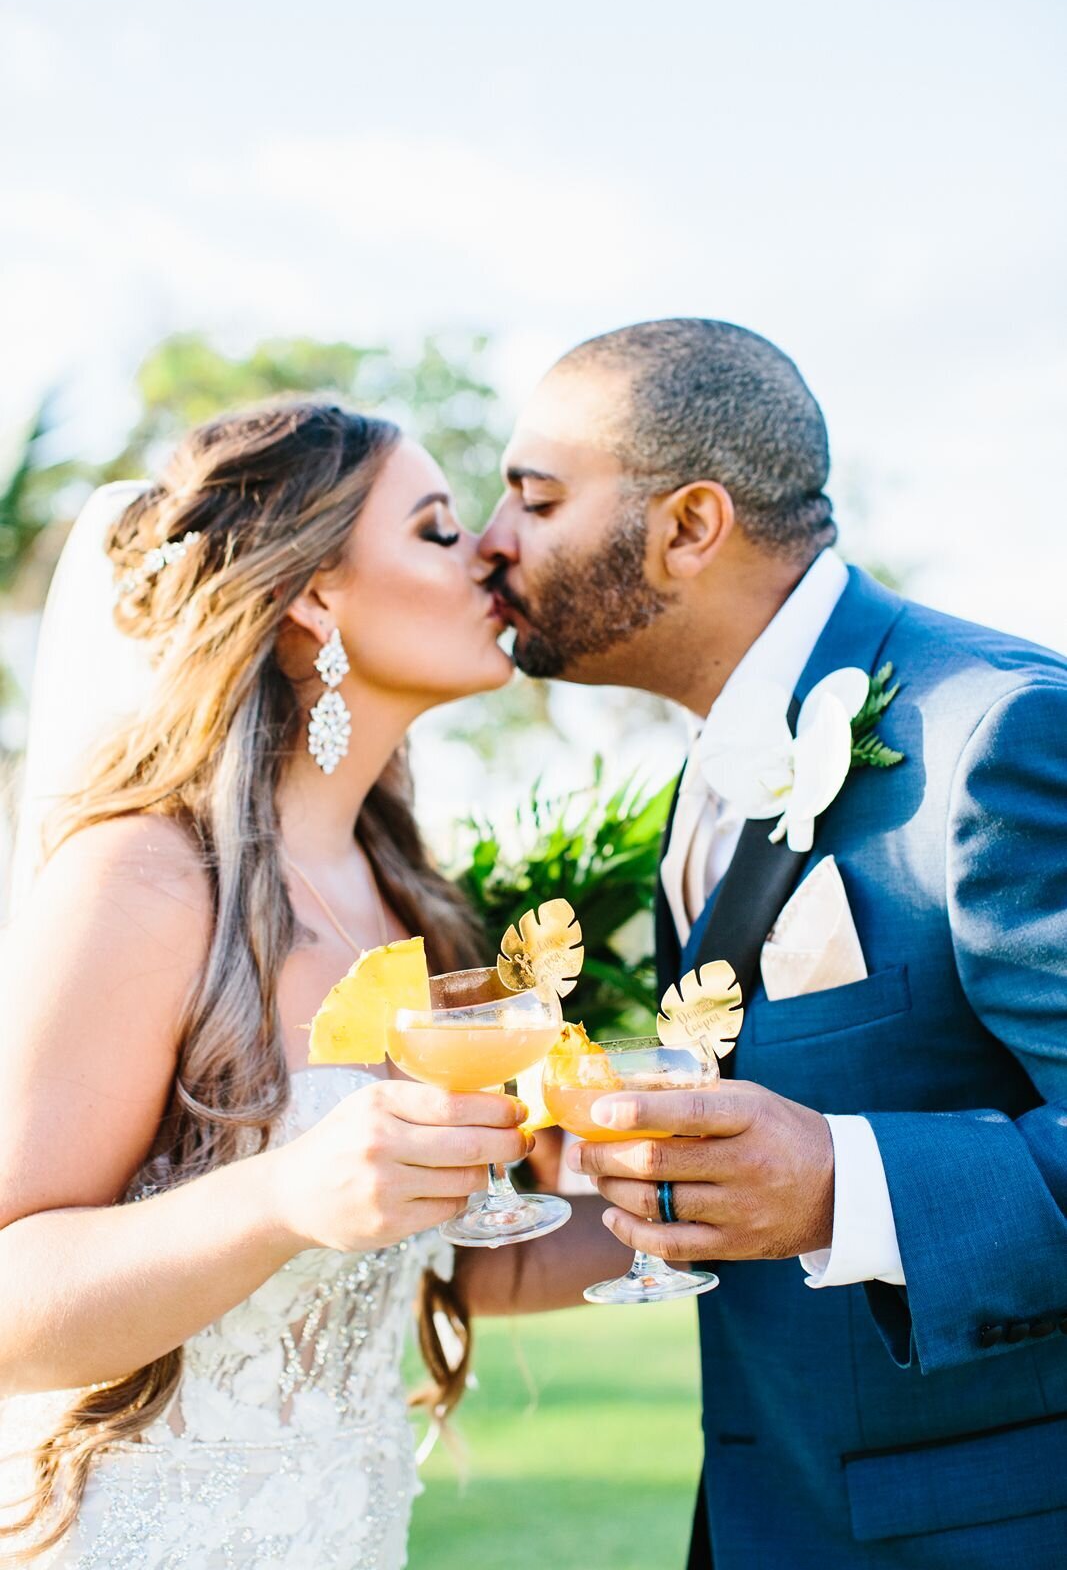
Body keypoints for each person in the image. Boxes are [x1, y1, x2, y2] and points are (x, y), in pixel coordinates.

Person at [479, 317, 1067, 1567]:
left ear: (689, 526)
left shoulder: (997, 730)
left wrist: (842, 1183)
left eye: (533, 499)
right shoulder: (709, 765)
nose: (488, 543)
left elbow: (822, 1160)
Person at [0, 399, 621, 1568]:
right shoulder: (143, 875)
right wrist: (286, 1195)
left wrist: (697, 1190)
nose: (490, 550)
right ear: (315, 595)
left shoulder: (419, 908)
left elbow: (466, 1259)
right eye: (437, 530)